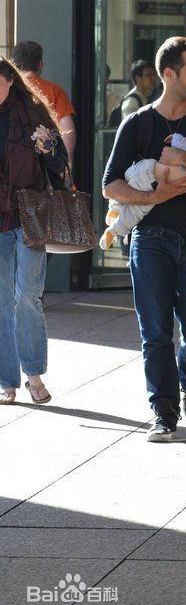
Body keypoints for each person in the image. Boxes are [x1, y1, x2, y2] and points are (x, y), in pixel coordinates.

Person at [102, 37, 186, 442]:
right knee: (155, 332)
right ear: (169, 74)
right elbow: (110, 186)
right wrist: (152, 196)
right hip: (150, 238)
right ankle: (163, 410)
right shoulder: (138, 122)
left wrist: (182, 160)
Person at [0, 57, 68, 405]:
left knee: (27, 296)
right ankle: (6, 381)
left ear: (9, 80)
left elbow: (59, 167)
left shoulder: (32, 114)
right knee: (1, 302)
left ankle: (34, 375)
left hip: (30, 217)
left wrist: (49, 147)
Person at [12, 41, 76, 171]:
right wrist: (66, 168)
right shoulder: (55, 91)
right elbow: (68, 131)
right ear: (40, 64)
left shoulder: (7, 91)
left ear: (13, 65)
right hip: (44, 168)